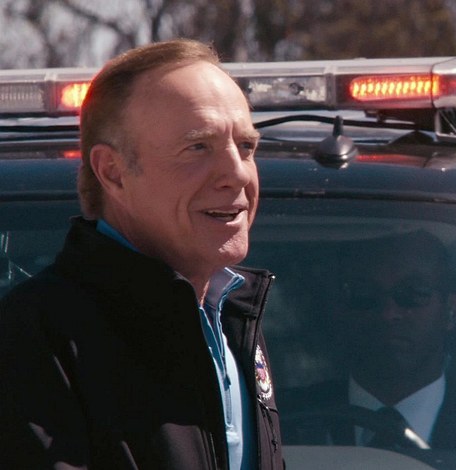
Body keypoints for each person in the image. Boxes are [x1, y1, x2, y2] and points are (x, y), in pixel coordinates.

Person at [0, 39, 284, 469]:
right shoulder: (35, 339)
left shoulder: (232, 320)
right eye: (198, 147)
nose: (237, 173)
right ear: (113, 172)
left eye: (246, 147)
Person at [280, 231, 456, 453]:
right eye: (364, 294)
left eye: (413, 293)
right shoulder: (279, 425)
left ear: (451, 310)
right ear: (340, 309)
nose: (388, 313)